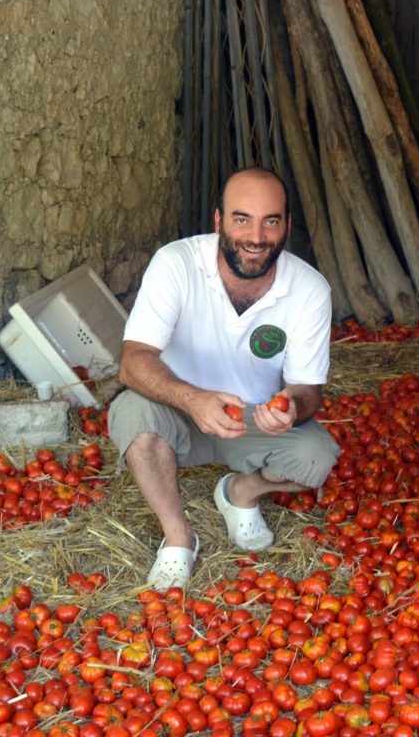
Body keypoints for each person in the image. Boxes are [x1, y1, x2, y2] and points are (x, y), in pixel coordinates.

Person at [109, 166, 340, 591]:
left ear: (287, 225)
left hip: (252, 419)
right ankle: (179, 537)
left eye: (271, 220)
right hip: (176, 409)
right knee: (132, 416)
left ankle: (240, 493)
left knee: (316, 457)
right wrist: (193, 399)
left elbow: (309, 390)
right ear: (218, 221)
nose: (256, 236)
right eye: (241, 219)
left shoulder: (309, 289)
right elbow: (133, 361)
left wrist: (290, 407)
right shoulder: (176, 263)